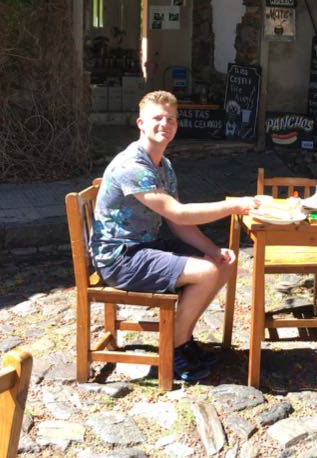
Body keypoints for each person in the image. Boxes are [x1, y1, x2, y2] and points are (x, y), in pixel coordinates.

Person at [90, 90, 260, 382]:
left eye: (171, 119)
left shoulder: (163, 166)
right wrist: (235, 206)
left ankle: (183, 338)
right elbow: (179, 214)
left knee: (223, 264)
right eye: (157, 118)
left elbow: (177, 223)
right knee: (206, 272)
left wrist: (214, 250)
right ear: (141, 123)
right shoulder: (133, 165)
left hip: (144, 247)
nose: (165, 124)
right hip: (120, 258)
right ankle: (174, 348)